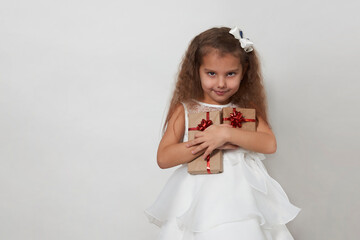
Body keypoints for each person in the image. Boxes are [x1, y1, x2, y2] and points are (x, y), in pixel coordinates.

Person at [145, 26, 301, 240]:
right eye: (211, 73)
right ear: (196, 71)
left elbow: (269, 144)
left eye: (230, 74)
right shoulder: (187, 109)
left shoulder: (245, 108)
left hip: (242, 198)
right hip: (200, 197)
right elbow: (164, 157)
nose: (220, 83)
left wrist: (226, 134)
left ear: (243, 72)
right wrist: (207, 141)